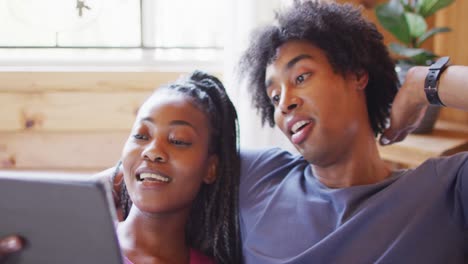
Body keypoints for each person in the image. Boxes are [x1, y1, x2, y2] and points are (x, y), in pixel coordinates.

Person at [235, 1, 468, 263]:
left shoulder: (445, 191)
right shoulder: (258, 175)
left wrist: (422, 83)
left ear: (357, 74)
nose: (285, 103)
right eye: (274, 97)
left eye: (301, 78)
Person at [115, 70, 242, 264]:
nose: (152, 151)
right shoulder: (76, 241)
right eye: (141, 136)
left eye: (178, 141)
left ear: (211, 168)